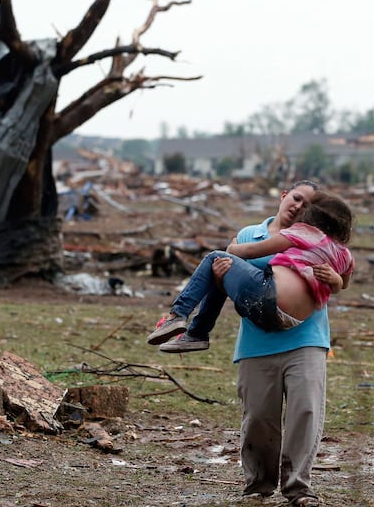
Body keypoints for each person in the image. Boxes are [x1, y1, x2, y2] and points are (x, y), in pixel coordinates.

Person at [155, 179, 343, 507]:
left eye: (307, 204)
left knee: (306, 411)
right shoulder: (248, 235)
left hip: (307, 340)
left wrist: (336, 278)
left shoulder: (318, 239)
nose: (299, 206)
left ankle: (299, 489)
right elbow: (226, 275)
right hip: (257, 343)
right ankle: (258, 486)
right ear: (284, 196)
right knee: (257, 418)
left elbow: (342, 276)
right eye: (296, 198)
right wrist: (219, 272)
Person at [146, 191, 353, 345]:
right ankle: (196, 334)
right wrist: (335, 280)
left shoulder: (302, 232)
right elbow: (343, 284)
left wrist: (231, 248)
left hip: (269, 298)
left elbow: (252, 251)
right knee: (223, 268)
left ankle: (179, 317)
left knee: (215, 259)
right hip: (291, 320)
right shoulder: (345, 254)